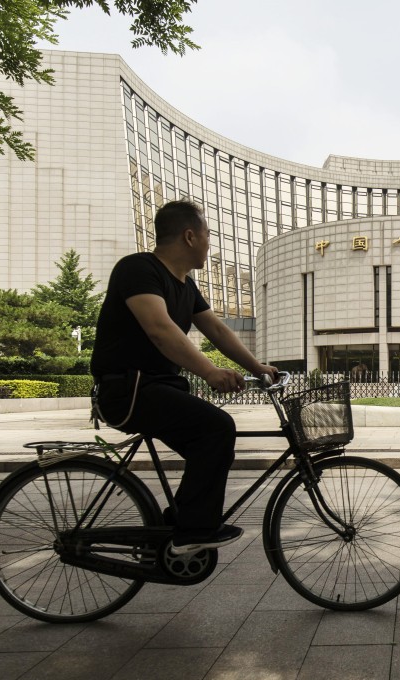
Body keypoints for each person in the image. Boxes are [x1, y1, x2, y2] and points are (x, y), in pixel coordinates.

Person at [91, 200, 278, 556]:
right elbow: (160, 329)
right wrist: (210, 371)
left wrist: (257, 367)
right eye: (208, 235)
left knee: (209, 445)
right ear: (190, 236)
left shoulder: (186, 286)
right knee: (216, 428)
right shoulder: (138, 268)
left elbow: (218, 331)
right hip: (127, 388)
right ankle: (192, 530)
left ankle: (175, 525)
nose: (210, 244)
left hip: (157, 387)